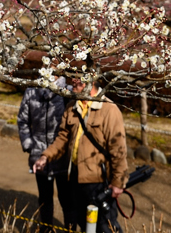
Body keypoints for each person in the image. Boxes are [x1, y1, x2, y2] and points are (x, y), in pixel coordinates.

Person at [33, 77, 128, 232]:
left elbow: (118, 149)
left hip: (99, 181)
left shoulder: (109, 109)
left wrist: (118, 182)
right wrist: (46, 156)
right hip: (75, 178)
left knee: (105, 226)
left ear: (90, 83)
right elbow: (62, 138)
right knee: (83, 223)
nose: (72, 84)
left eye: (77, 81)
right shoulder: (72, 107)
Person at [18, 79, 73, 233]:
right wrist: (29, 145)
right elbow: (22, 120)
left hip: (62, 156)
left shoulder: (66, 92)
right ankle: (46, 228)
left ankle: (71, 229)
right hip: (39, 154)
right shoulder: (31, 90)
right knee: (44, 197)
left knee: (67, 198)